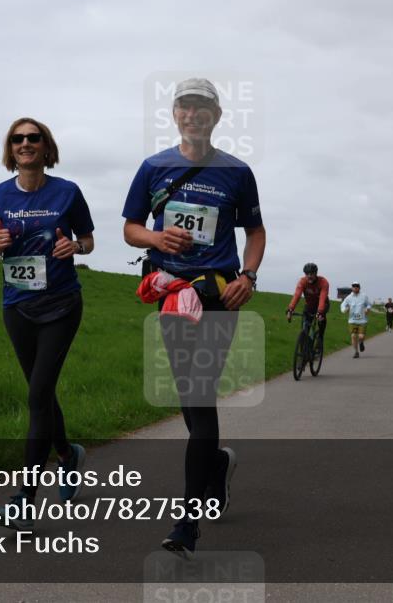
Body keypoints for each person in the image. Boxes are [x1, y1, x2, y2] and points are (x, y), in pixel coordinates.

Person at [123, 77, 265, 559]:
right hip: (172, 294)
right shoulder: (153, 167)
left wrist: (249, 274)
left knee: (199, 399)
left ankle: (188, 522)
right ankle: (218, 468)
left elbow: (256, 230)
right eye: (186, 106)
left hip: (219, 295)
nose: (194, 114)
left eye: (203, 108)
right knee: (192, 402)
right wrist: (156, 240)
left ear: (216, 117)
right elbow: (130, 228)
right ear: (175, 114)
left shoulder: (237, 171)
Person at [0, 117, 95, 531]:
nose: (25, 144)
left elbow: (89, 242)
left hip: (61, 304)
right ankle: (67, 454)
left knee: (38, 393)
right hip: (17, 307)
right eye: (17, 138)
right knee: (39, 394)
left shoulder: (68, 192)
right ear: (11, 149)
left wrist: (74, 246)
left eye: (33, 137)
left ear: (46, 147)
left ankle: (24, 496)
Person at [286, 262, 330, 344]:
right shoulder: (302, 282)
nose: (309, 276)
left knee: (321, 319)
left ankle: (320, 337)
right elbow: (297, 295)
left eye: (311, 274)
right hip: (310, 305)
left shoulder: (323, 282)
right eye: (307, 274)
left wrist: (320, 312)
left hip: (323, 304)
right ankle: (305, 349)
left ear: (316, 273)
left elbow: (322, 298)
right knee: (305, 329)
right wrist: (290, 309)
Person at [340, 282, 371, 358]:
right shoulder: (349, 297)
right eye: (354, 286)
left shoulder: (364, 296)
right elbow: (342, 305)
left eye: (357, 286)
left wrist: (367, 309)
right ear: (352, 288)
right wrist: (344, 310)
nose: (355, 288)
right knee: (353, 336)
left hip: (362, 320)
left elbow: (369, 304)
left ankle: (361, 342)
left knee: (361, 336)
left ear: (359, 288)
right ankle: (356, 352)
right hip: (352, 320)